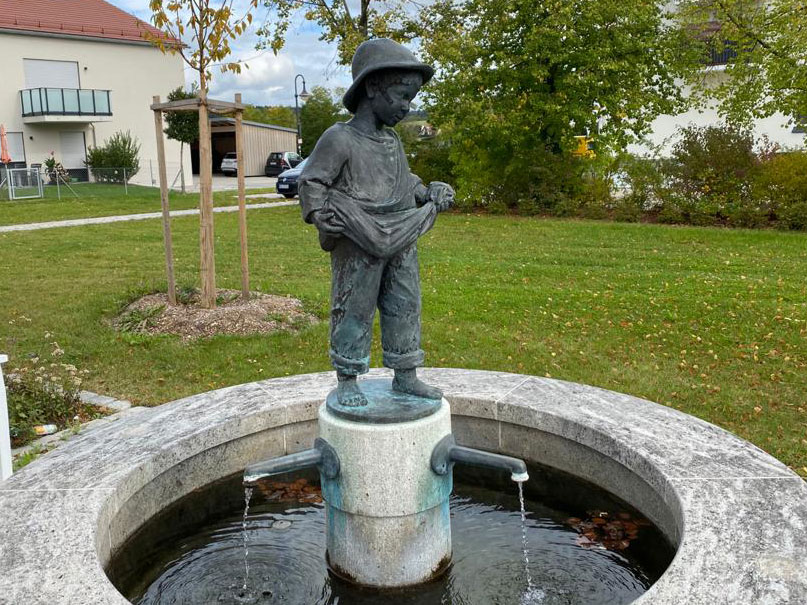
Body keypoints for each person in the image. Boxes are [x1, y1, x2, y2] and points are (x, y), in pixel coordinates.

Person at [298, 38, 454, 408]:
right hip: (358, 238)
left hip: (401, 237)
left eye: (411, 98)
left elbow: (404, 180)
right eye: (402, 95)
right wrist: (320, 214)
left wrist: (427, 191)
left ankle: (406, 373)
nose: (407, 106)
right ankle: (348, 375)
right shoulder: (340, 138)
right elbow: (312, 180)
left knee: (404, 303)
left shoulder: (392, 141)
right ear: (372, 87)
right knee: (355, 306)